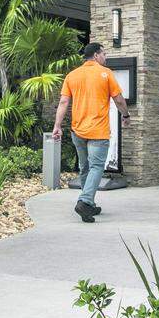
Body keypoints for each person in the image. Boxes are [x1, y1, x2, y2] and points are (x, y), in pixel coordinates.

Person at [52, 42, 130, 223]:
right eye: (104, 54)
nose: (105, 57)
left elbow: (63, 102)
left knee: (85, 167)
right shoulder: (106, 73)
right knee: (96, 167)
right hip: (98, 131)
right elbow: (118, 99)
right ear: (96, 55)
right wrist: (126, 115)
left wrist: (57, 126)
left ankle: (90, 204)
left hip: (78, 131)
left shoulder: (72, 75)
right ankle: (85, 201)